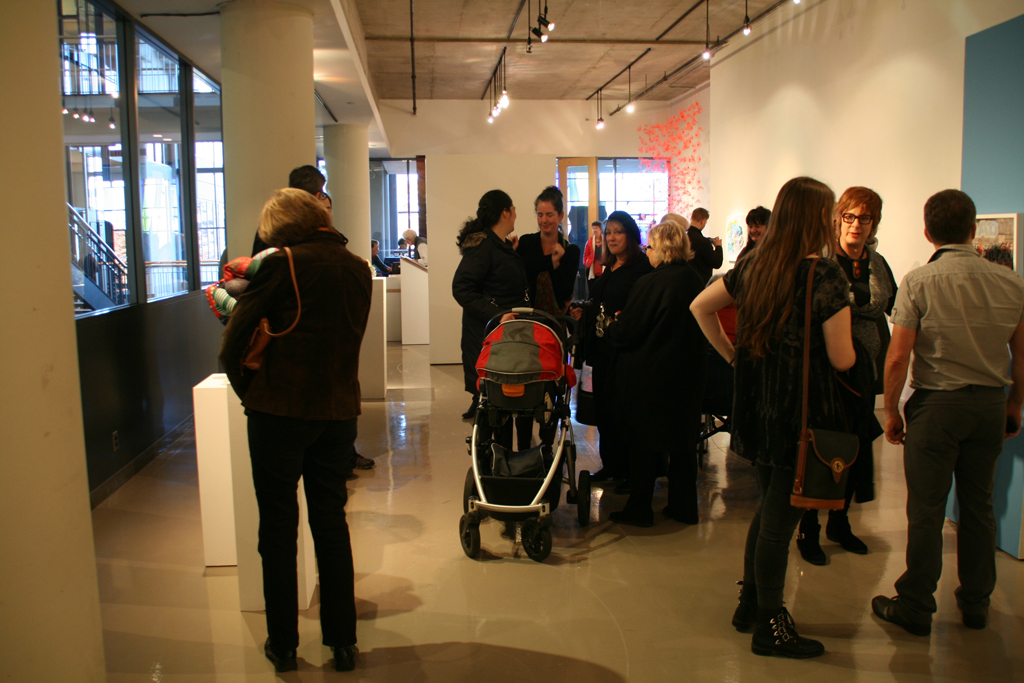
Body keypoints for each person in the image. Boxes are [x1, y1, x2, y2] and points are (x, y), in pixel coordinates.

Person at [691, 176, 856, 659]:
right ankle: (770, 623)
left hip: (758, 407)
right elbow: (843, 357)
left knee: (769, 510)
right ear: (817, 218)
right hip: (799, 416)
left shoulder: (754, 265)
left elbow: (700, 306)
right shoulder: (825, 275)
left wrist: (733, 356)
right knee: (779, 524)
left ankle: (750, 604)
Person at [220, 188, 371, 673]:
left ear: (281, 232)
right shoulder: (358, 268)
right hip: (338, 413)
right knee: (331, 524)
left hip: (280, 414)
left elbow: (233, 343)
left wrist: (252, 394)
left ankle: (284, 644)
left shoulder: (282, 264)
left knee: (278, 528)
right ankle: (343, 643)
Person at [873, 189, 1024, 636]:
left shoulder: (919, 281)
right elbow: (1021, 354)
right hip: (989, 405)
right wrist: (1014, 404)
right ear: (973, 230)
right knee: (979, 507)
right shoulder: (1011, 282)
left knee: (926, 509)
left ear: (927, 232)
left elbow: (897, 357)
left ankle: (916, 604)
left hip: (937, 406)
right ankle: (976, 602)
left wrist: (891, 411)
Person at [796, 187, 896, 565]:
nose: (856, 225)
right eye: (850, 217)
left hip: (864, 367)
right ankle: (808, 527)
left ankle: (840, 521)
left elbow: (892, 305)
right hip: (826, 366)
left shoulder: (878, 263)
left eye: (865, 218)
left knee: (856, 444)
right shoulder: (822, 260)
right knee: (821, 444)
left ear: (874, 223)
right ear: (838, 219)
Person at [606, 220, 707, 527]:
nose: (647, 252)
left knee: (644, 445)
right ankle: (684, 507)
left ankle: (640, 508)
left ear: (661, 250)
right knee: (683, 445)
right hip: (687, 377)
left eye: (649, 247)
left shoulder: (651, 283)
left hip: (652, 377)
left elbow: (629, 330)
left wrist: (612, 326)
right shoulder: (694, 279)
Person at [570, 211, 653, 485]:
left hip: (626, 352)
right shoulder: (611, 265)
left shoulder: (641, 269)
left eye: (618, 232)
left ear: (631, 235)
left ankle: (629, 473)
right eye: (609, 233)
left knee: (623, 413)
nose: (612, 237)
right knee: (605, 411)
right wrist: (585, 311)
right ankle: (611, 466)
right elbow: (602, 302)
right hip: (603, 349)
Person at [510, 186, 580, 449]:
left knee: (551, 385)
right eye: (540, 214)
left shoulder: (571, 250)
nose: (544, 220)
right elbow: (520, 278)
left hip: (554, 328)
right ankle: (524, 445)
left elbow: (564, 292)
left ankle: (547, 446)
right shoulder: (526, 242)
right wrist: (550, 263)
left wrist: (552, 265)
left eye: (550, 214)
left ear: (560, 215)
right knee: (525, 382)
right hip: (526, 325)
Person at [452, 190, 530, 420]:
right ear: (505, 213)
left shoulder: (497, 244)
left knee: (492, 394)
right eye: (513, 209)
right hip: (487, 331)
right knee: (488, 396)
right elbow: (462, 288)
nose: (515, 214)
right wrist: (497, 314)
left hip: (498, 332)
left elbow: (495, 276)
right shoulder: (484, 246)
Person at [252, 165, 326, 256]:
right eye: (322, 195)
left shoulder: (270, 223)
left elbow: (256, 261)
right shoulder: (319, 230)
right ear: (317, 196)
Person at [687, 207, 723, 285]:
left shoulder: (683, 238)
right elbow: (717, 263)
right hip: (701, 283)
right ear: (703, 221)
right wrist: (718, 247)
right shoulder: (703, 242)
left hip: (686, 282)